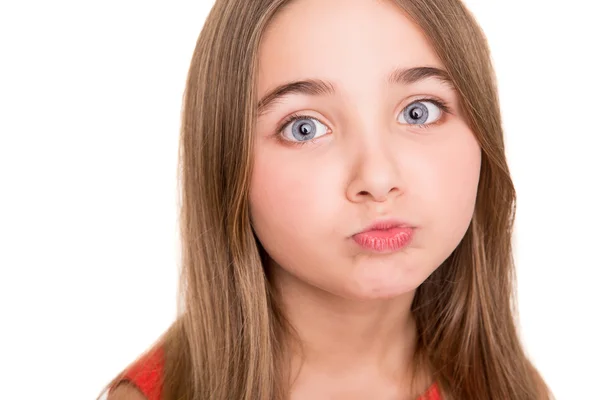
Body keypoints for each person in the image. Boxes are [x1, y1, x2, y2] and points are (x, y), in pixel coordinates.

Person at [100, 0, 553, 398]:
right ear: (226, 164)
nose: (377, 178)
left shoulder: (512, 390)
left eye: (419, 111)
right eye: (305, 127)